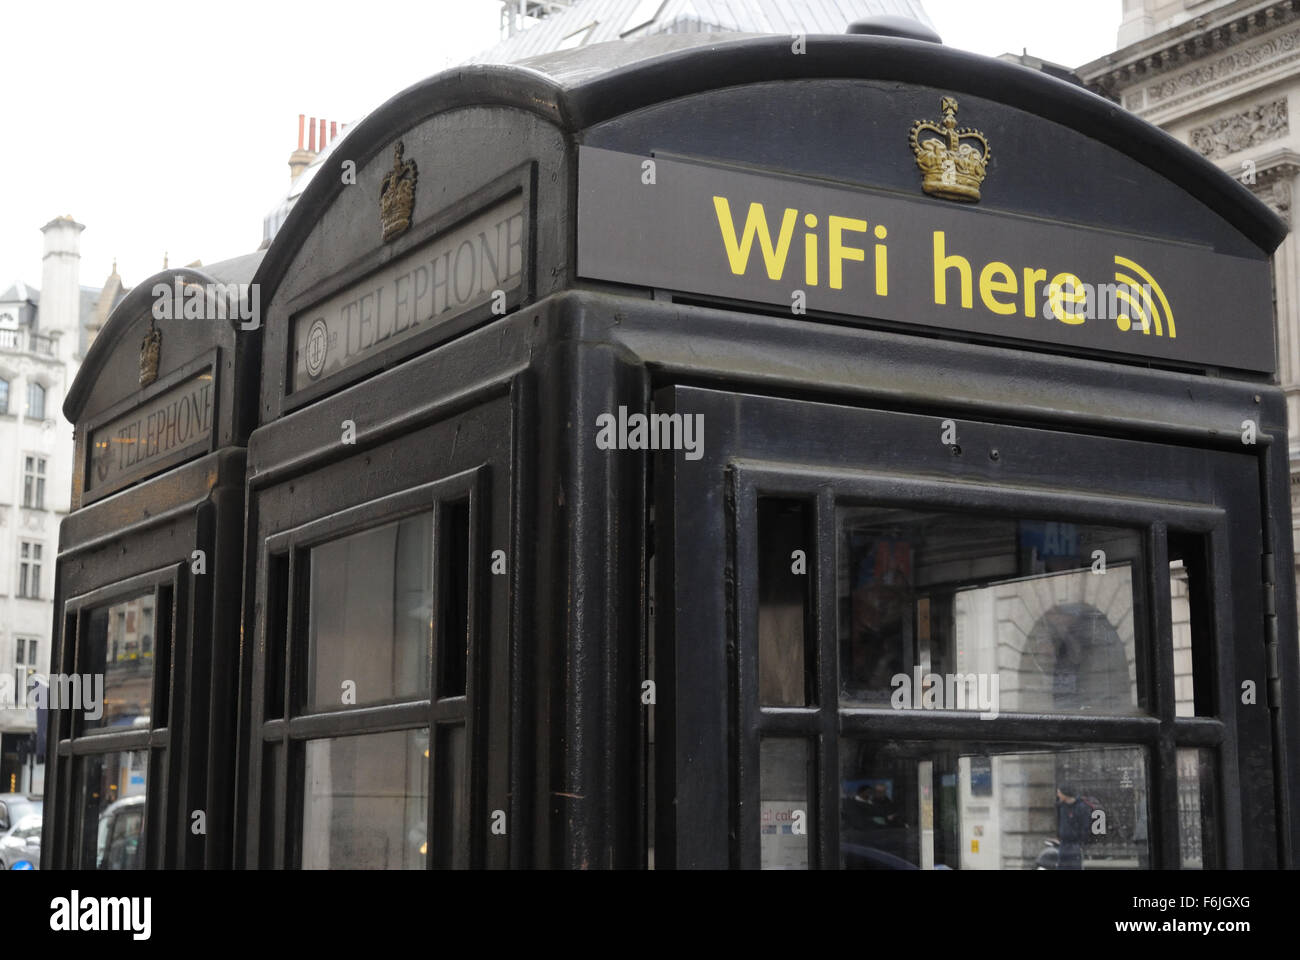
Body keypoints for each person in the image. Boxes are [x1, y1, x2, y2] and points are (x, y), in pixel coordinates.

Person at [1056, 782, 1088, 870]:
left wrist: (1079, 841)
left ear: (1065, 793)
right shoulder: (1061, 806)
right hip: (1063, 844)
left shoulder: (1081, 807)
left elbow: (1085, 826)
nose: (1058, 795)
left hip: (1075, 845)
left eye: (1059, 792)